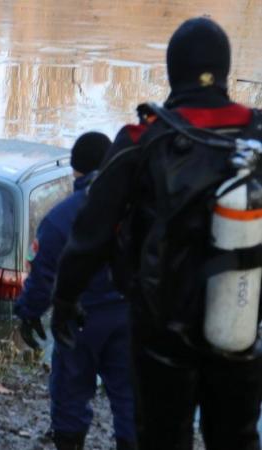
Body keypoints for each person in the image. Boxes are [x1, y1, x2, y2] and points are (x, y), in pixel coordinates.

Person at [50, 17, 262, 450]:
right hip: (240, 319)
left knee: (163, 439)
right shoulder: (255, 136)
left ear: (172, 71)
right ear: (224, 71)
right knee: (237, 438)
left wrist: (64, 299)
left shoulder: (141, 138)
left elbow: (91, 235)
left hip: (160, 328)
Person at [14, 132, 134, 450]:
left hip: (79, 318)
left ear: (74, 170)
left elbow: (43, 276)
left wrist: (28, 312)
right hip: (130, 314)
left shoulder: (60, 218)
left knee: (70, 389)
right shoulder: (136, 207)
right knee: (129, 395)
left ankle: (70, 442)